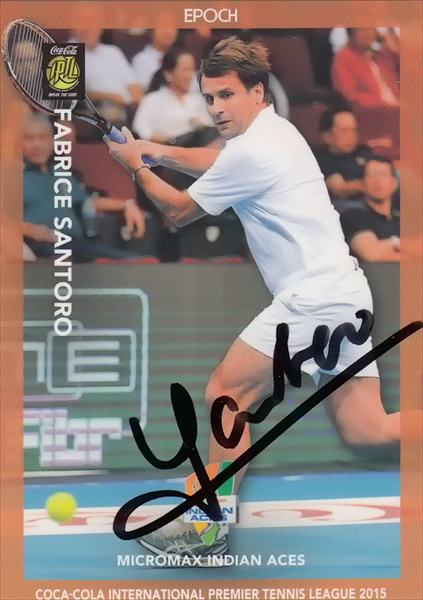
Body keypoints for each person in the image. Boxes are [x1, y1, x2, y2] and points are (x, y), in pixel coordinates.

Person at [105, 36, 400, 563]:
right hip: (345, 295)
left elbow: (179, 211)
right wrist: (153, 148)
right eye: (209, 97)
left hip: (313, 300)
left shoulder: (255, 149)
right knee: (367, 430)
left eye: (227, 95)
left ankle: (205, 530)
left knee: (226, 391)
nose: (216, 107)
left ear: (257, 92)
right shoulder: (274, 130)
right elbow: (217, 160)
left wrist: (135, 166)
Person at [23, 113, 145, 262]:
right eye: (28, 139)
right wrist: (26, 229)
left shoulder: (61, 172)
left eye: (42, 138)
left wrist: (127, 205)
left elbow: (87, 202)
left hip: (75, 244)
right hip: (37, 246)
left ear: (52, 141)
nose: (37, 145)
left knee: (132, 262)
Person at [132, 47, 214, 143]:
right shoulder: (152, 100)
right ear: (168, 74)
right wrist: (162, 141)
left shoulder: (199, 100)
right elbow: (141, 130)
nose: (189, 75)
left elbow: (210, 130)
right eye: (185, 70)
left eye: (192, 69)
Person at [70, 29, 142, 126]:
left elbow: (133, 84)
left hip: (126, 108)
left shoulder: (113, 51)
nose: (88, 29)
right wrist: (110, 97)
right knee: (111, 114)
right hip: (95, 109)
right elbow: (70, 95)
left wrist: (139, 104)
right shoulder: (64, 52)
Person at [340, 156, 400, 262]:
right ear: (362, 184)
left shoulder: (402, 220)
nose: (378, 180)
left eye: (383, 175)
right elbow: (371, 253)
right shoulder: (352, 216)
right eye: (371, 175)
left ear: (394, 184)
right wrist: (397, 242)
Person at [314, 107, 376, 209]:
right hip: (346, 205)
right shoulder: (322, 159)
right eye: (344, 131)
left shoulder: (363, 151)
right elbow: (339, 189)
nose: (351, 136)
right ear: (327, 136)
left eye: (354, 130)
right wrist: (372, 184)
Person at [331, 28, 399, 108]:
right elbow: (349, 95)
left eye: (370, 29)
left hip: (396, 105)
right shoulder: (343, 57)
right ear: (351, 33)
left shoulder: (382, 55)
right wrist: (385, 103)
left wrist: (394, 48)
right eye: (361, 29)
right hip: (374, 108)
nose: (367, 33)